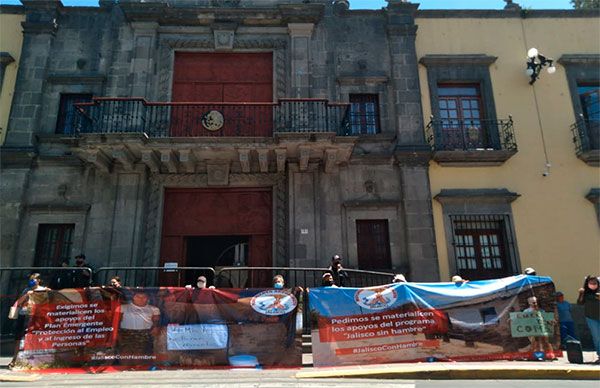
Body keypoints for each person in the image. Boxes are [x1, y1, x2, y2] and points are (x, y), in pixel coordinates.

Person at [9, 273, 50, 368]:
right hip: (24, 314)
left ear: (39, 280)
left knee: (34, 337)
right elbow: (19, 302)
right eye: (31, 279)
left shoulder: (43, 290)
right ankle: (14, 359)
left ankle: (34, 360)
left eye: (34, 279)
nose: (32, 281)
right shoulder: (26, 290)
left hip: (36, 316)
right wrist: (27, 295)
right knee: (19, 337)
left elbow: (48, 302)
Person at [117, 292, 161, 357]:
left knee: (141, 355)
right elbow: (116, 321)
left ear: (148, 298)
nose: (141, 299)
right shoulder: (122, 307)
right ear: (133, 297)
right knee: (125, 353)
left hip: (144, 333)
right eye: (138, 296)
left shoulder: (154, 309)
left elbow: (156, 322)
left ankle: (139, 367)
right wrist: (117, 333)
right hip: (125, 333)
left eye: (144, 297)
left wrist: (155, 328)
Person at [577, 275, 600, 364]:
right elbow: (579, 303)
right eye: (591, 283)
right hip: (591, 317)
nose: (593, 285)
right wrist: (581, 293)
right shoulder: (585, 293)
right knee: (597, 337)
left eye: (595, 283)